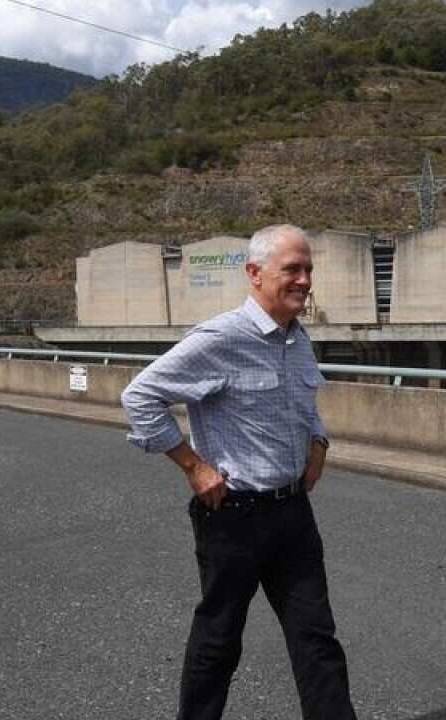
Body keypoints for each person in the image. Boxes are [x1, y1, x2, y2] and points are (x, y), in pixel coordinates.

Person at [121, 224, 357, 720]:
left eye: (308, 269)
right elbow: (139, 397)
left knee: (317, 641)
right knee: (219, 640)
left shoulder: (297, 335)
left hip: (293, 513)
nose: (304, 280)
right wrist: (193, 466)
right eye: (292, 269)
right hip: (233, 516)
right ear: (254, 273)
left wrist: (319, 441)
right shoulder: (222, 338)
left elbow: (305, 400)